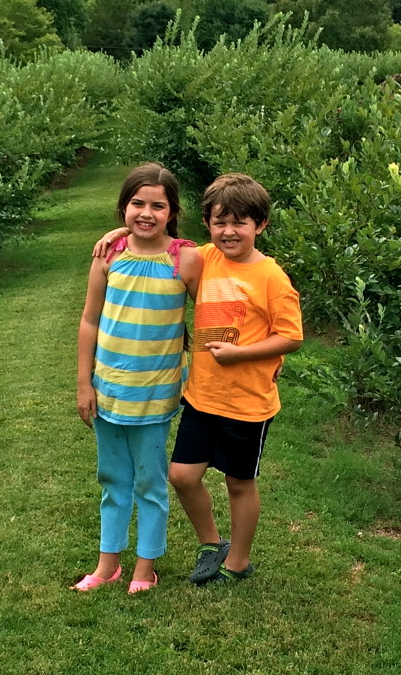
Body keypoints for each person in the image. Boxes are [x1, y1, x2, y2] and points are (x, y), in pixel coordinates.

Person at [94, 172, 303, 585]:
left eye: (240, 223)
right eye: (220, 222)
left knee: (239, 483)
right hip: (202, 396)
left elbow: (292, 337)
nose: (229, 231)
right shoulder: (203, 258)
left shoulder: (271, 277)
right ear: (207, 223)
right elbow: (156, 240)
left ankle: (238, 562)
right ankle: (212, 542)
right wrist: (120, 230)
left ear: (260, 225)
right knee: (182, 476)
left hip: (247, 402)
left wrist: (242, 354)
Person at [75, 163, 201, 593]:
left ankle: (145, 568)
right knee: (112, 479)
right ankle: (107, 563)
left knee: (150, 482)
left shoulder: (184, 258)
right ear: (123, 207)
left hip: (154, 394)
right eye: (137, 204)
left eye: (158, 206)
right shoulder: (108, 255)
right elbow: (90, 320)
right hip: (108, 389)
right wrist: (83, 383)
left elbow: (210, 312)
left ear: (172, 212)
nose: (146, 213)